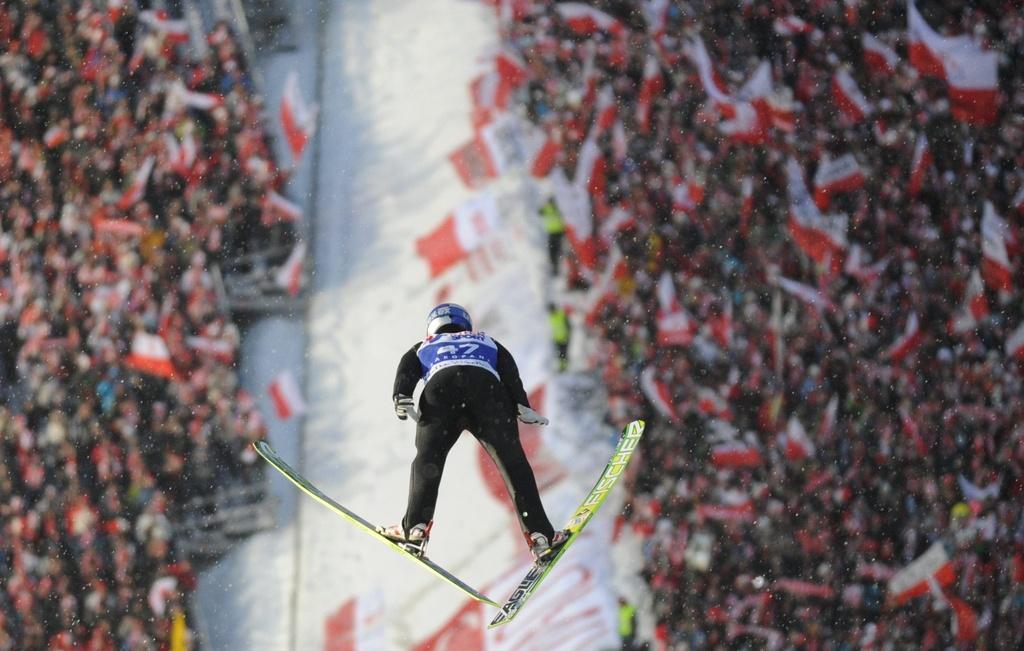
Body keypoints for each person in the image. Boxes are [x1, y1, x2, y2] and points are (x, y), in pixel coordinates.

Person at [380, 303, 569, 560]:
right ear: (465, 324)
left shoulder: (425, 345)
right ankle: (540, 536)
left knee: (427, 460)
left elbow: (406, 366)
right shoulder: (487, 341)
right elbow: (509, 369)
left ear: (432, 327)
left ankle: (415, 528)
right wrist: (521, 403)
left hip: (441, 390)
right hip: (488, 392)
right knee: (513, 462)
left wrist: (400, 395)